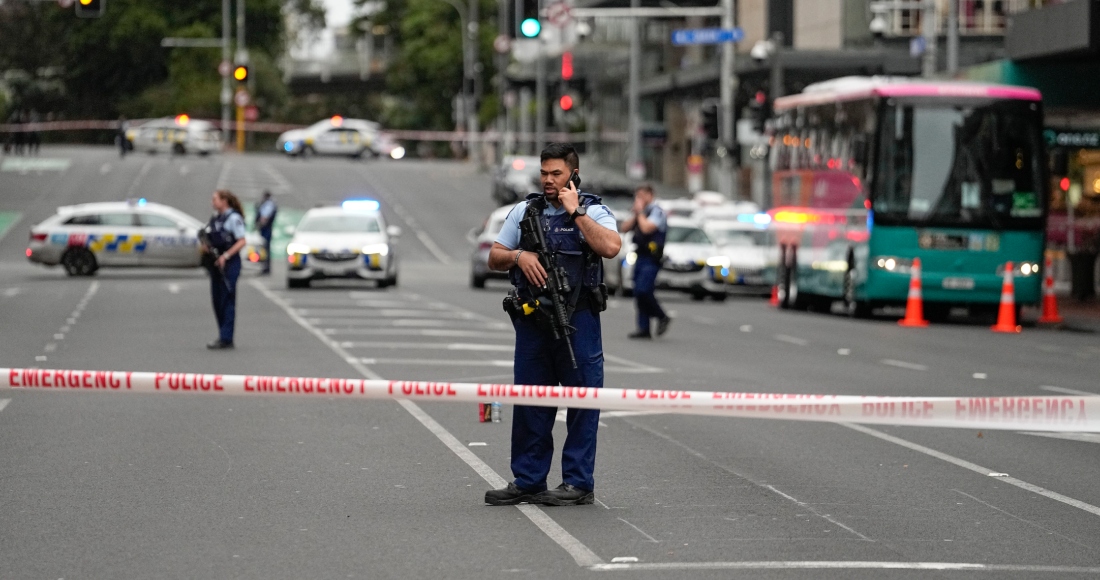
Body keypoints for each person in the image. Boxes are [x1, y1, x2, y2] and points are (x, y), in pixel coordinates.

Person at [484, 143, 622, 507]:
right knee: (530, 401)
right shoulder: (524, 211)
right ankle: (528, 480)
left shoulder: (594, 211)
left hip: (579, 319)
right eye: (544, 173)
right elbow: (494, 256)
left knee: (583, 402)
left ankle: (578, 483)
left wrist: (575, 213)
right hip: (534, 320)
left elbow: (611, 247)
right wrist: (519, 256)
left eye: (556, 174)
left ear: (573, 175)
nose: (548, 180)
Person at [620, 184, 671, 339]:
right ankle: (644, 328)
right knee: (638, 292)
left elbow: (647, 228)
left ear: (650, 195)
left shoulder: (656, 211)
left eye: (641, 196)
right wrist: (636, 214)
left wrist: (640, 213)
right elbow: (624, 228)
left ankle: (661, 316)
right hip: (640, 256)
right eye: (637, 196)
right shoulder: (641, 212)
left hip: (652, 257)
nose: (639, 199)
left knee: (644, 290)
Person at [201, 189, 247, 350]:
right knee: (217, 299)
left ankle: (226, 338)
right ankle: (222, 333)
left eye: (215, 199)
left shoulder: (233, 218)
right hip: (215, 262)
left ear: (224, 201)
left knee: (227, 298)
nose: (212, 202)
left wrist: (226, 256)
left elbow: (242, 241)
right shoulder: (215, 218)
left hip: (229, 262)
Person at [254, 191, 278, 275]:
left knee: (265, 247)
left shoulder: (268, 204)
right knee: (265, 248)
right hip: (266, 229)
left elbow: (265, 217)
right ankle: (265, 266)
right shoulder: (270, 204)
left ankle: (265, 267)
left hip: (266, 229)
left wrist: (259, 224)